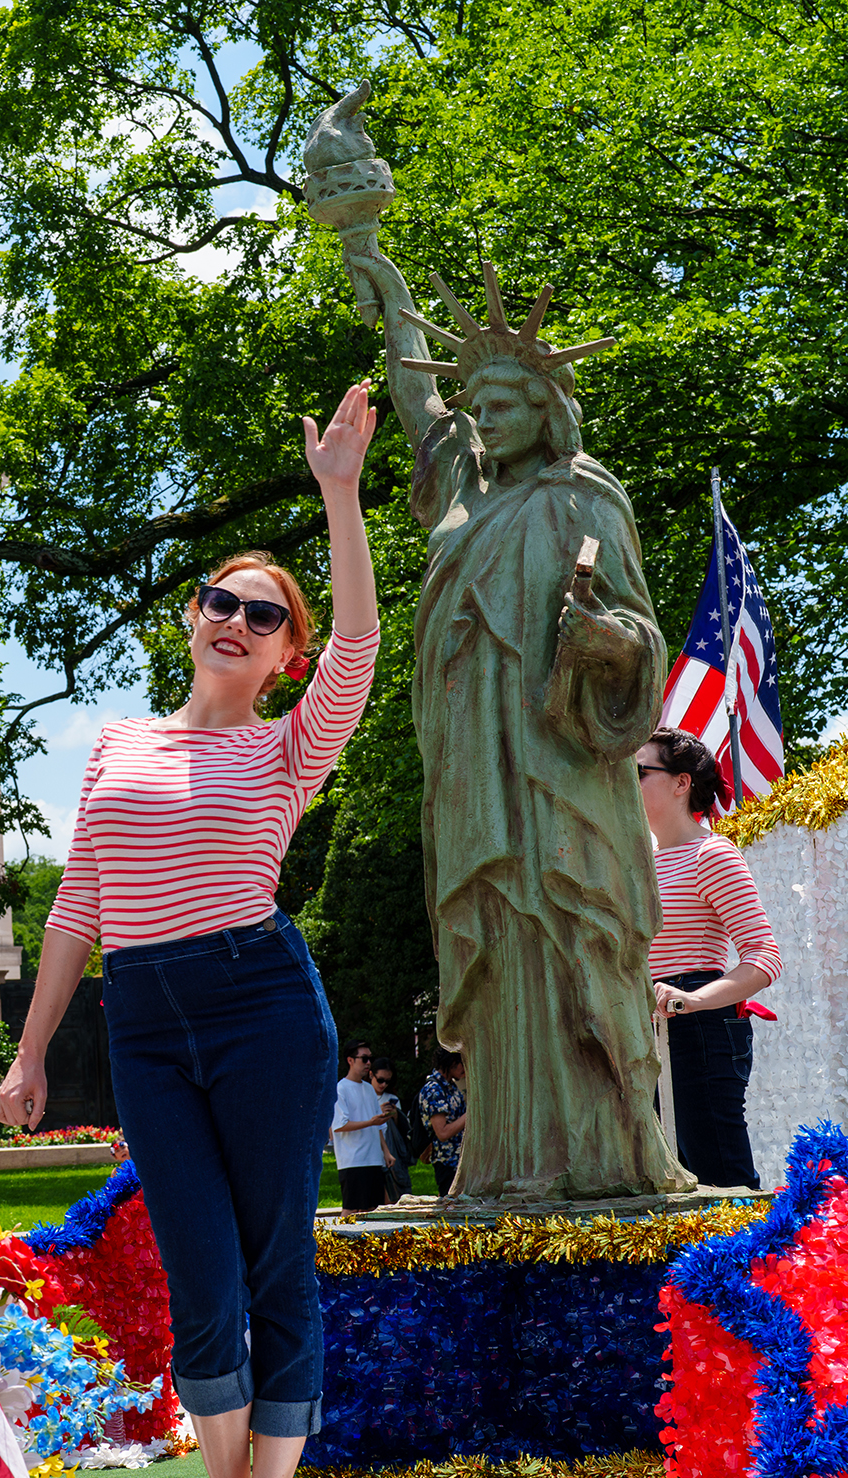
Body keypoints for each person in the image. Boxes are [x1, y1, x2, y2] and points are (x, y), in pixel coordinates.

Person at [0, 384, 382, 1478]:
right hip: (144, 1016)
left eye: (262, 614)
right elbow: (76, 909)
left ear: (284, 652)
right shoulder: (117, 742)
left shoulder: (287, 744)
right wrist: (30, 1051)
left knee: (276, 1266)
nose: (234, 620)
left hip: (261, 1004)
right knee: (199, 1277)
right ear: (193, 619)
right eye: (220, 600)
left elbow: (361, 644)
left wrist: (340, 498)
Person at [348, 244, 687, 1200]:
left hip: (563, 758)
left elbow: (639, 634)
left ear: (547, 409)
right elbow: (420, 398)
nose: (482, 421)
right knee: (499, 942)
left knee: (587, 931)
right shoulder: (463, 486)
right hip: (471, 758)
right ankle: (509, 1160)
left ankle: (624, 1146)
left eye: (501, 406)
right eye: (479, 407)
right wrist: (381, 270)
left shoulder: (588, 496)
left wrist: (599, 638)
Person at [639, 727, 781, 1190]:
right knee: (656, 1189)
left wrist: (692, 1000)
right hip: (638, 1030)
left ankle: (752, 1265)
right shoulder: (631, 860)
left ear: (682, 783)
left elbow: (763, 957)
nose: (625, 781)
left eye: (640, 772)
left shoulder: (712, 853)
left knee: (720, 1179)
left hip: (698, 1030)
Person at [332, 1041, 392, 1212]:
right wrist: (371, 1122)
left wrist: (385, 1152)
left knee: (372, 1210)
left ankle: (366, 1240)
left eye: (370, 1059)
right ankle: (340, 1239)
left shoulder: (368, 1089)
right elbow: (340, 1125)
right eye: (364, 1059)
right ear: (350, 1060)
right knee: (351, 1210)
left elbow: (377, 1124)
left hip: (373, 1159)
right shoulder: (340, 1089)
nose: (368, 1063)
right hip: (353, 1161)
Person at [418, 1049, 468, 1197]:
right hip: (447, 1162)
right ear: (452, 1063)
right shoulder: (434, 1089)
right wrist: (469, 1115)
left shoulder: (450, 1086)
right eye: (463, 1063)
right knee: (451, 1209)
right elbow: (442, 1133)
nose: (465, 1069)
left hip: (458, 1161)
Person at [370, 1059, 411, 1202]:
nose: (383, 1085)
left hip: (390, 1149)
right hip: (370, 1149)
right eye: (380, 1080)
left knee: (393, 1194)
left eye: (387, 1081)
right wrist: (378, 1112)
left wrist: (395, 1115)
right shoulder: (365, 1095)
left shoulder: (392, 1098)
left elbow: (402, 1129)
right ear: (371, 1075)